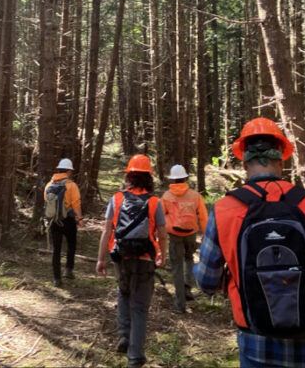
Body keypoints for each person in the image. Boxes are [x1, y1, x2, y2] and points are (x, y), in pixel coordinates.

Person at [193, 118, 305, 368]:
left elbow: (207, 281)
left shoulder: (225, 209)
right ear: (282, 159)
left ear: (243, 160)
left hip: (257, 340)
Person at [96, 154, 168, 368]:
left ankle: (124, 335)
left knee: (123, 293)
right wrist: (162, 254)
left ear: (128, 175)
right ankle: (135, 356)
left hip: (121, 256)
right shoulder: (155, 202)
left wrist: (101, 259)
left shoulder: (116, 199)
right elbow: (162, 234)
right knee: (140, 307)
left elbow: (107, 230)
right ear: (149, 178)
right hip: (145, 259)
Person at [161, 164, 208, 313]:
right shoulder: (195, 195)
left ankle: (180, 304)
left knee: (177, 267)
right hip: (191, 233)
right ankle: (187, 288)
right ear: (185, 178)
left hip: (174, 235)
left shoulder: (167, 196)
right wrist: (205, 234)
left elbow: (160, 217)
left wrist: (158, 236)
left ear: (173, 179)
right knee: (189, 259)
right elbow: (203, 217)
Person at [44, 158, 84, 287]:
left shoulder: (49, 185)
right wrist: (80, 219)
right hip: (68, 220)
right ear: (68, 171)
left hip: (54, 221)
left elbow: (47, 201)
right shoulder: (71, 185)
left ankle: (57, 278)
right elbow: (76, 204)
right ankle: (68, 270)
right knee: (71, 244)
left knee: (56, 249)